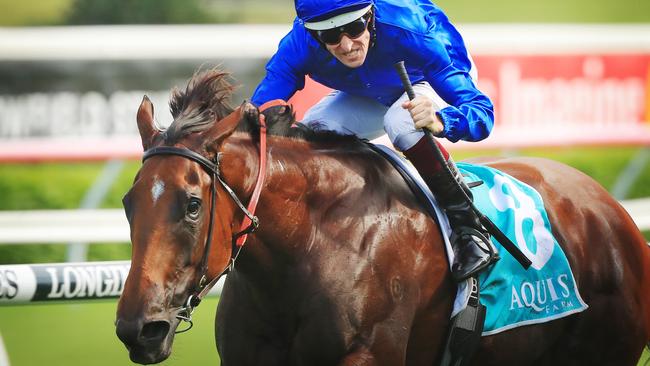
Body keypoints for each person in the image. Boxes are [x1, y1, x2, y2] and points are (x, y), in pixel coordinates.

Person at [251, 0, 498, 281]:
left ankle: (469, 228)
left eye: (354, 29)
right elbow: (261, 107)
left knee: (401, 122)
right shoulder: (299, 42)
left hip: (428, 79)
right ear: (313, 34)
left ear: (369, 17)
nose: (346, 46)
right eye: (331, 36)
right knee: (315, 130)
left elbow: (482, 114)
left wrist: (442, 121)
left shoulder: (410, 30)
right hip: (371, 93)